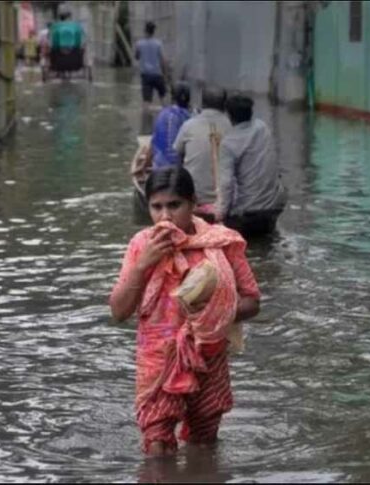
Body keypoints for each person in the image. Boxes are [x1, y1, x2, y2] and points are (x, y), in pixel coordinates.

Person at [109, 166, 261, 457]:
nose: (165, 216)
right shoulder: (142, 245)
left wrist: (216, 311)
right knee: (157, 447)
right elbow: (118, 311)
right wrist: (144, 265)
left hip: (208, 355)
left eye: (174, 205)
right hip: (158, 360)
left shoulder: (221, 243)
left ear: (192, 204)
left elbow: (252, 302)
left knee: (203, 444)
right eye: (157, 207)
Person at [215, 94, 287, 236]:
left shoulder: (228, 143)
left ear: (229, 116)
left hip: (249, 213)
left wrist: (220, 214)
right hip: (275, 205)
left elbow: (226, 184)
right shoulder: (263, 127)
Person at [173, 87, 232, 221]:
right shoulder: (232, 126)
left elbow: (177, 154)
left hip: (195, 197)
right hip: (225, 200)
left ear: (202, 104)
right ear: (224, 105)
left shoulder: (188, 125)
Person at [150, 83, 191, 169]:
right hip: (177, 169)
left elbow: (153, 143)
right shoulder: (189, 117)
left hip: (158, 166)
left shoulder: (162, 113)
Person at [135, 21, 167, 108]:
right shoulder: (158, 44)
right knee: (163, 97)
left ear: (145, 30)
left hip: (146, 76)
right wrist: (165, 74)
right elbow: (163, 60)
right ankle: (167, 116)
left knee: (146, 101)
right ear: (154, 31)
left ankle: (145, 120)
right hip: (158, 75)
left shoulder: (139, 43)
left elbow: (137, 57)